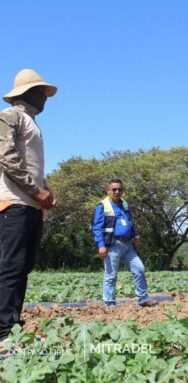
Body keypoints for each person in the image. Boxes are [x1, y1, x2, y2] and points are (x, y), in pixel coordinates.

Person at [0, 69, 57, 349]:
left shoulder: (32, 123)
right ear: (27, 92)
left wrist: (45, 190)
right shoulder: (10, 116)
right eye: (40, 91)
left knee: (22, 268)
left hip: (31, 206)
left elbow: (31, 166)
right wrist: (37, 191)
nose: (44, 97)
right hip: (14, 204)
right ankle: (2, 333)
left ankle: (12, 327)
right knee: (10, 268)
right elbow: (8, 161)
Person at [92, 179, 157, 308]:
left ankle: (143, 299)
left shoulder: (125, 205)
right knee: (111, 275)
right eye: (114, 189)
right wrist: (101, 245)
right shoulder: (102, 206)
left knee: (139, 269)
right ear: (108, 190)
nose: (117, 192)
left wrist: (135, 235)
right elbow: (97, 227)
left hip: (128, 245)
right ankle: (110, 304)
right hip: (112, 245)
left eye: (119, 189)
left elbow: (130, 222)